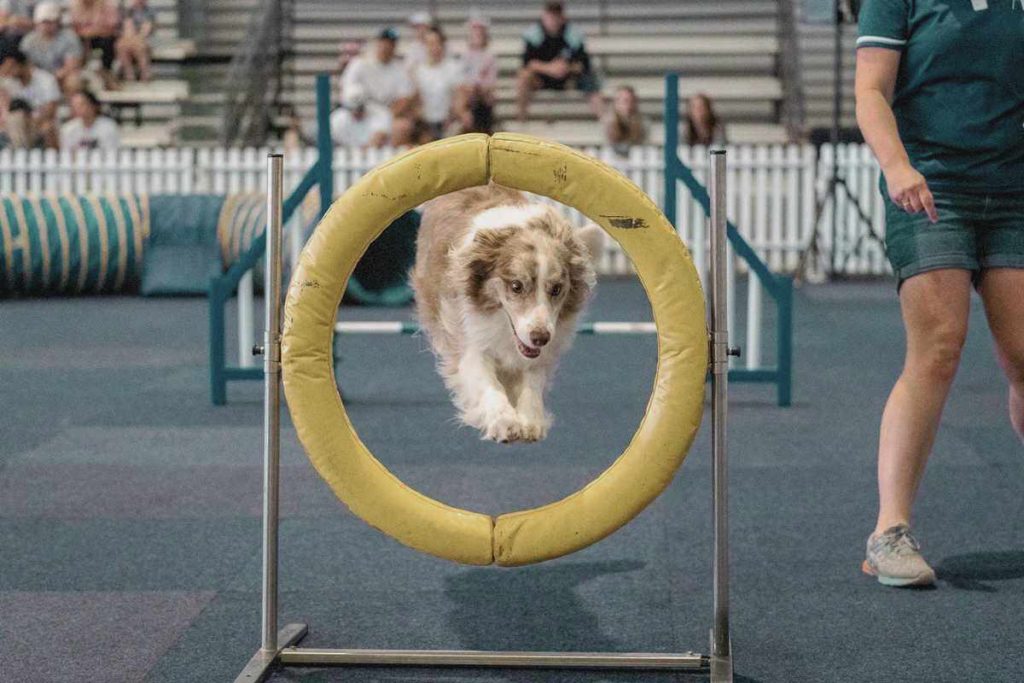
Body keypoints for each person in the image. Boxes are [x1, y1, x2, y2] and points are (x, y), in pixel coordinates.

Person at [855, 0, 1024, 588]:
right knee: (939, 347)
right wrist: (897, 166)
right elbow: (871, 91)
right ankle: (889, 532)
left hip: (1015, 187)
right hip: (929, 186)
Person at [517, 1, 603, 122]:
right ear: (544, 16)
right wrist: (550, 68)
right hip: (542, 78)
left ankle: (603, 120)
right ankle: (521, 120)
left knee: (591, 79)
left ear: (562, 17)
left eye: (556, 16)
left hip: (567, 79)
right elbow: (527, 63)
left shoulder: (573, 35)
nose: (553, 20)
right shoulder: (533, 34)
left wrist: (566, 68)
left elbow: (583, 64)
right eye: (550, 16)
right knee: (523, 76)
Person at [340, 27, 417, 146]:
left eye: (391, 43)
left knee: (402, 127)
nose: (387, 47)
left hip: (387, 112)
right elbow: (348, 90)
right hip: (359, 111)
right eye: (384, 42)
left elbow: (404, 98)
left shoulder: (399, 69)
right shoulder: (360, 64)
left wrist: (386, 116)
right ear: (377, 43)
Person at [410, 26, 466, 140]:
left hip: (448, 121)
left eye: (437, 43)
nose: (434, 47)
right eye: (430, 44)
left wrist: (452, 117)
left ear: (442, 45)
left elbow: (460, 97)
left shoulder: (454, 68)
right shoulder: (417, 71)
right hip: (426, 124)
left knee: (464, 122)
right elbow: (415, 103)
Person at [19, 2, 84, 93]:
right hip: (38, 77)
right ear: (36, 22)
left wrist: (54, 77)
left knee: (73, 81)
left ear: (58, 21)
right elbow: (27, 64)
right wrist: (43, 78)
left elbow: (71, 65)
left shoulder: (69, 37)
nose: (47, 26)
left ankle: (73, 105)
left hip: (61, 76)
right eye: (44, 22)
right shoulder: (28, 41)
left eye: (51, 22)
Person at [0, 47, 58, 145]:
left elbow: (50, 111)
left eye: (11, 67)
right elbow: (6, 111)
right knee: (15, 120)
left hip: (38, 122)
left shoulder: (46, 80)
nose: (9, 72)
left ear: (19, 64)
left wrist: (31, 121)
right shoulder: (9, 83)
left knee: (47, 127)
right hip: (17, 125)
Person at [459, 12, 497, 134]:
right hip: (468, 100)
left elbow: (490, 84)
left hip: (482, 100)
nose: (477, 34)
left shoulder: (489, 56)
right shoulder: (464, 56)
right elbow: (461, 80)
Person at [69, 0, 120, 89]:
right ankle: (78, 70)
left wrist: (92, 31)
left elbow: (111, 27)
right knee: (74, 41)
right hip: (83, 37)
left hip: (103, 37)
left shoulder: (107, 4)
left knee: (108, 41)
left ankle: (106, 71)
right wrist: (89, 31)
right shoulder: (76, 6)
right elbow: (75, 26)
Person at [115, 0, 155, 82]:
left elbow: (146, 30)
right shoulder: (127, 11)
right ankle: (129, 74)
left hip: (144, 39)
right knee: (121, 45)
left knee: (138, 45)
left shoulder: (149, 11)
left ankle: (144, 73)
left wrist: (136, 40)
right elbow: (127, 29)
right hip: (128, 40)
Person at [602, 85, 647, 151]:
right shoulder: (607, 123)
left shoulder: (643, 123)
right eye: (625, 101)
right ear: (616, 102)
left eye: (631, 101)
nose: (628, 104)